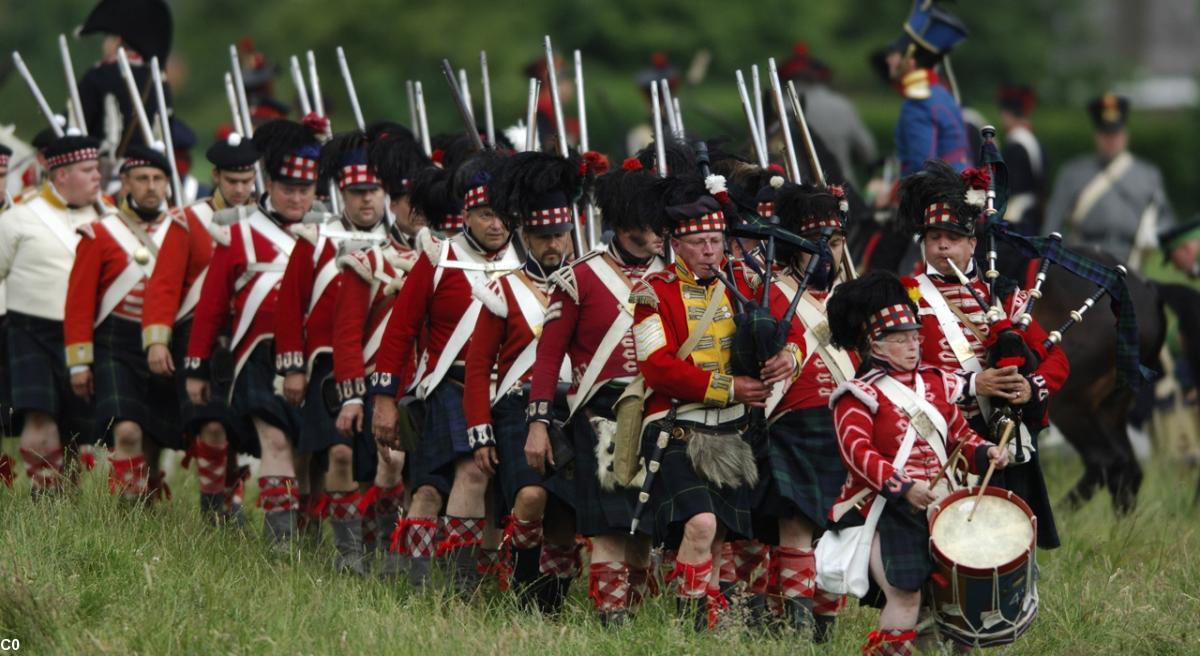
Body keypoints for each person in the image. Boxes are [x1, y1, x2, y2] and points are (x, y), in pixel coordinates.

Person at [630, 173, 803, 630]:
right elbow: (657, 366)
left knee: (719, 533)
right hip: (679, 425)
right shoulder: (653, 293)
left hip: (734, 430)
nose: (710, 250)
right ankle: (686, 626)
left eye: (716, 240)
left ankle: (705, 622)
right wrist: (729, 388)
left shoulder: (743, 283)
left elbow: (795, 330)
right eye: (700, 242)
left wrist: (789, 356)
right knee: (702, 524)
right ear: (677, 245)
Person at [825, 271, 1007, 656]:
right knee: (906, 596)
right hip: (887, 509)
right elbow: (857, 454)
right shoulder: (858, 395)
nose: (912, 346)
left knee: (958, 597)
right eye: (901, 339)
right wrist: (903, 486)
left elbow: (959, 434)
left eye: (915, 337)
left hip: (943, 504)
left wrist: (985, 451)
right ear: (876, 344)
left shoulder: (937, 383)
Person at [369, 150, 521, 593]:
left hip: (504, 392)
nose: (497, 226)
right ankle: (450, 590)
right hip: (448, 388)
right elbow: (399, 333)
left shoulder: (525, 264)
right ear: (467, 215)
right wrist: (384, 401)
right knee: (451, 482)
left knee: (492, 492)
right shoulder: (437, 258)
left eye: (504, 216)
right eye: (487, 215)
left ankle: (479, 583)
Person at [899, 160, 1070, 549]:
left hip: (1000, 433)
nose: (942, 245)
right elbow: (898, 375)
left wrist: (1029, 387)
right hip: (934, 436)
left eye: (953, 237)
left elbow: (1057, 361)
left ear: (972, 244)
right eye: (934, 236)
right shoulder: (907, 294)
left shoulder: (1005, 294)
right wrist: (973, 383)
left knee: (1005, 542)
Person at [526, 164, 665, 625]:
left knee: (645, 531)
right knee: (609, 525)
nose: (659, 234)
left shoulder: (674, 277)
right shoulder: (579, 277)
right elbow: (548, 359)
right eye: (649, 225)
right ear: (625, 226)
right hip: (601, 414)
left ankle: (636, 614)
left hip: (662, 411)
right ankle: (612, 617)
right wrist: (538, 424)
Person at [185, 118, 323, 546]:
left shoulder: (326, 233)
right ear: (269, 183)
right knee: (276, 441)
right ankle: (279, 547)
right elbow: (210, 305)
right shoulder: (239, 232)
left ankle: (306, 537)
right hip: (256, 355)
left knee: (306, 451)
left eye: (305, 190)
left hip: (310, 356)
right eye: (287, 189)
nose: (296, 198)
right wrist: (196, 365)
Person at [463, 152, 582, 612]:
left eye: (560, 235)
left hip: (572, 407)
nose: (553, 245)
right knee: (530, 497)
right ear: (526, 237)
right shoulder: (504, 289)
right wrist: (480, 430)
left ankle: (550, 606)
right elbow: (478, 367)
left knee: (565, 518)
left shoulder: (587, 285)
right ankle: (525, 590)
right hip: (515, 407)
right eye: (543, 237)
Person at [274, 129, 390, 573]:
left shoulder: (397, 245)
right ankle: (349, 556)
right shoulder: (315, 238)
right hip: (327, 367)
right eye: (357, 192)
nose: (366, 202)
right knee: (336, 454)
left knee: (375, 463)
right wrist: (292, 367)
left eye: (374, 192)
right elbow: (290, 304)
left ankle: (375, 541)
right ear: (342, 192)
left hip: (378, 365)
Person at [752, 182, 858, 637]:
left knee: (835, 528)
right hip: (789, 422)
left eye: (834, 244)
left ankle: (824, 627)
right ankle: (792, 628)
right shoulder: (766, 293)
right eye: (816, 246)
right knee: (794, 523)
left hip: (844, 424)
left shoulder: (853, 299)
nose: (827, 256)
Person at [142, 130, 259, 523]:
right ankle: (214, 510)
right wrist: (157, 341)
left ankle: (233, 499)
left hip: (250, 334)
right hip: (200, 335)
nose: (241, 189)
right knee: (211, 424)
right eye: (232, 182)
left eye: (247, 181)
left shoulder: (268, 221)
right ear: (217, 176)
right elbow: (164, 286)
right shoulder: (189, 220)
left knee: (240, 426)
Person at [331, 125, 430, 579]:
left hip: (425, 382)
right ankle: (377, 553)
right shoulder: (367, 261)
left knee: (417, 477)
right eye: (409, 203)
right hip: (381, 382)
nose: (417, 213)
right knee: (388, 471)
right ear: (393, 205)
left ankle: (403, 557)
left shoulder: (442, 262)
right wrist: (353, 396)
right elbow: (347, 333)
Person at [65, 144, 183, 500]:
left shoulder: (182, 231)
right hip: (115, 342)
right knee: (127, 431)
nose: (150, 186)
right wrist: (79, 363)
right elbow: (79, 302)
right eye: (142, 178)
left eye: (158, 179)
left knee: (154, 435)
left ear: (167, 184)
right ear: (126, 183)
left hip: (166, 342)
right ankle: (126, 505)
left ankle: (143, 502)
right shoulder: (99, 233)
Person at [0, 133, 107, 497]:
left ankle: (67, 498)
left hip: (88, 333)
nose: (98, 176)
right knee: (39, 412)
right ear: (61, 175)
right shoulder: (21, 216)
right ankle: (44, 498)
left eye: (97, 169)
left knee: (77, 425)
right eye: (88, 169)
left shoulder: (109, 217)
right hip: (29, 329)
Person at [1043, 93, 1175, 266]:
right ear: (1096, 136)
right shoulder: (1072, 173)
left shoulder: (1148, 174)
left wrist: (1153, 235)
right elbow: (1053, 222)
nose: (1111, 140)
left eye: (1116, 134)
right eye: (1106, 134)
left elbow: (1166, 219)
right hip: (1084, 259)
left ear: (1126, 135)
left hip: (1131, 260)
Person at [885, 0, 970, 177]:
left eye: (896, 55)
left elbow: (922, 170)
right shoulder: (941, 93)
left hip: (942, 197)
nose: (889, 60)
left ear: (910, 61)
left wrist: (891, 194)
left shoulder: (918, 103)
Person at [997, 84, 1046, 236]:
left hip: (1018, 212)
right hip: (1032, 210)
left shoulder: (1016, 145)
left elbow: (1010, 184)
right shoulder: (1034, 141)